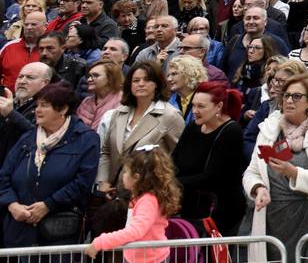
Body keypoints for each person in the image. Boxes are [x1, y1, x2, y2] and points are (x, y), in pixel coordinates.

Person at [242, 72, 308, 263]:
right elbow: (251, 171)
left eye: (296, 96)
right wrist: (258, 188)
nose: (288, 100)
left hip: (307, 218)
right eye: (286, 95)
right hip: (270, 218)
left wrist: (293, 172)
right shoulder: (270, 128)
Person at [0, 83, 99, 263]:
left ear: (62, 109)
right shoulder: (27, 138)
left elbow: (82, 182)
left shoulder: (86, 139)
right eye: (37, 105)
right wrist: (12, 204)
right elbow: (4, 176)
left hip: (61, 226)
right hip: (23, 224)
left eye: (44, 105)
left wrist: (48, 205)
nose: (37, 110)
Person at [85, 146, 179, 263]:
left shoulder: (148, 200)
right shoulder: (137, 196)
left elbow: (135, 231)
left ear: (136, 177)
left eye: (125, 172)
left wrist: (101, 242)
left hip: (152, 262)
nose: (122, 176)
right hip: (133, 257)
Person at [98, 62, 186, 201]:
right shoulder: (119, 112)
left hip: (147, 195)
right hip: (113, 192)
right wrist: (103, 181)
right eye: (136, 80)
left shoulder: (170, 115)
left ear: (157, 83)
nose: (141, 84)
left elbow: (177, 159)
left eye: (147, 80)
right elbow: (106, 151)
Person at [171, 81, 246, 236]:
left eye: (201, 106)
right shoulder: (193, 127)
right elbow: (174, 160)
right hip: (189, 207)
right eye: (193, 105)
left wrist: (173, 183)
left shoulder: (231, 132)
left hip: (219, 212)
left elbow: (212, 177)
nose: (195, 111)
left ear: (218, 106)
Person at [76, 59, 123, 129]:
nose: (89, 79)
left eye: (95, 75)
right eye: (89, 76)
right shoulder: (86, 101)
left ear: (110, 78)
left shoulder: (122, 102)